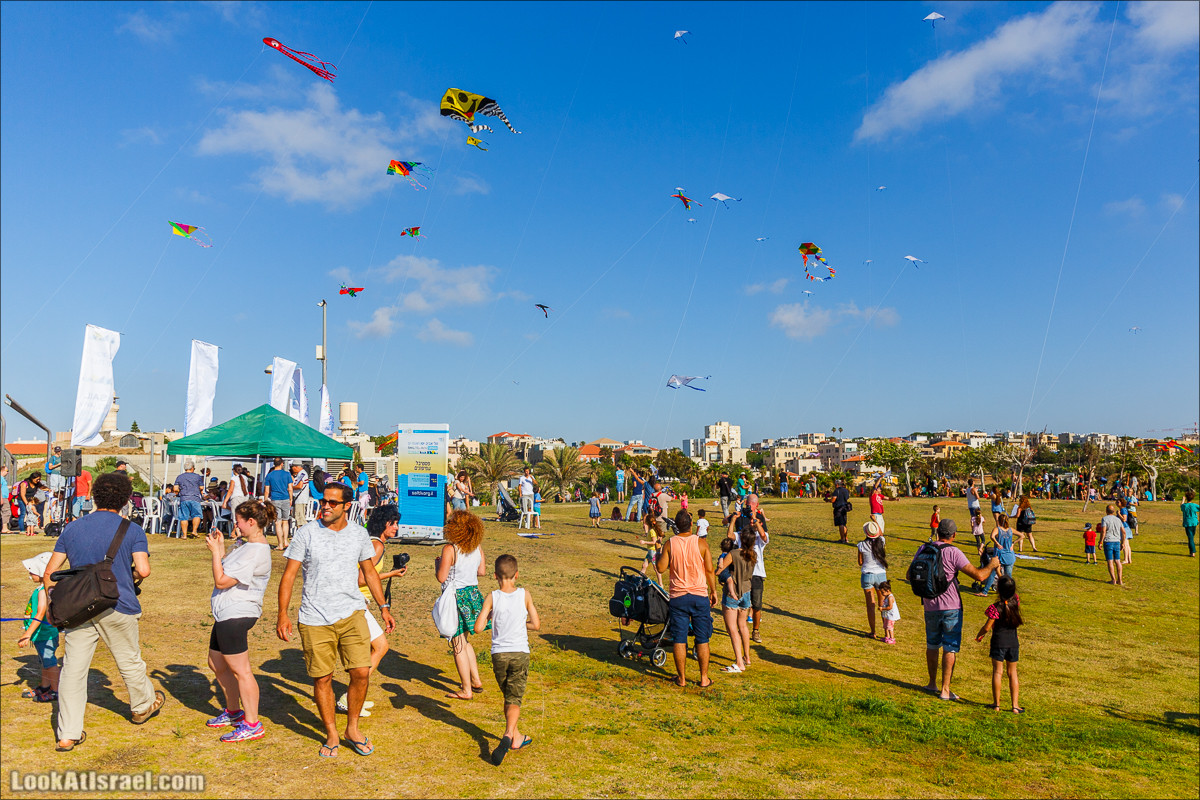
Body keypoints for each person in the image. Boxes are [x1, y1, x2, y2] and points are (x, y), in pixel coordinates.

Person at [43, 471, 166, 751]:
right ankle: (142, 705)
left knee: (73, 670)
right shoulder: (132, 530)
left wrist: (57, 597)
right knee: (129, 661)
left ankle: (68, 734)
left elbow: (50, 572)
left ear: (94, 496)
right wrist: (131, 574)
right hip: (118, 603)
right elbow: (144, 569)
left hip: (79, 607)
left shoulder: (72, 528)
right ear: (124, 500)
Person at [277, 482, 395, 758]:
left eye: (332, 502)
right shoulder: (306, 534)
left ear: (346, 506)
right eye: (323, 501)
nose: (325, 506)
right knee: (323, 678)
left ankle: (352, 728)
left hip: (352, 613)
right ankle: (331, 732)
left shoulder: (358, 534)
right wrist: (282, 614)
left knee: (361, 672)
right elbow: (289, 576)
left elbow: (369, 572)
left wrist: (383, 607)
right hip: (314, 617)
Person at [908, 519, 1000, 702]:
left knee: (932, 645)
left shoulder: (923, 549)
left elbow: (909, 575)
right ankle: (945, 689)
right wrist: (992, 565)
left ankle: (932, 683)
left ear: (937, 532)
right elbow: (980, 576)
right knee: (950, 647)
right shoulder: (953, 552)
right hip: (951, 607)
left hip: (929, 605)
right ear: (954, 535)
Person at [205, 499, 274, 743]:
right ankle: (234, 712)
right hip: (225, 612)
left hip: (238, 613)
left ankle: (252, 723)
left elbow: (222, 581)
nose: (235, 524)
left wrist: (215, 553)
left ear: (251, 522)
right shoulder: (246, 545)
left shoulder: (256, 551)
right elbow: (226, 569)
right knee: (216, 663)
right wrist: (221, 550)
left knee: (241, 670)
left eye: (239, 520)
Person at [340, 504, 408, 716]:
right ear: (383, 524)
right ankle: (349, 698)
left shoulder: (372, 542)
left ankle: (355, 695)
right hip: (357, 602)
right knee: (380, 647)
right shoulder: (376, 545)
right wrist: (392, 574)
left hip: (359, 602)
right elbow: (362, 578)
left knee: (372, 649)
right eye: (393, 523)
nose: (396, 527)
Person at [473, 554, 541, 765]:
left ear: (495, 576)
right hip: (520, 652)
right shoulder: (525, 595)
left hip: (499, 655)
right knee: (514, 698)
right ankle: (508, 736)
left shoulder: (492, 597)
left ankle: (516, 736)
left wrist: (492, 619)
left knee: (509, 696)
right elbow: (536, 625)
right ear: (517, 575)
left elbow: (477, 627)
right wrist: (522, 624)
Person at [656, 509, 717, 688]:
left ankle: (681, 678)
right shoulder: (701, 544)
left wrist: (660, 552)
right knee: (702, 638)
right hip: (699, 595)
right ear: (691, 524)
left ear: (676, 525)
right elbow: (710, 570)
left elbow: (660, 568)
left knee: (680, 638)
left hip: (678, 596)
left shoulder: (670, 543)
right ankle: (704, 678)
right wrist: (713, 591)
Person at [436, 510, 488, 700]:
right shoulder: (477, 547)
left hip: (455, 597)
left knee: (457, 644)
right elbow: (481, 571)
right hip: (472, 595)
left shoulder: (450, 549)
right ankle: (476, 680)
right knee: (465, 642)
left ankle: (466, 689)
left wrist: (438, 565)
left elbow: (441, 577)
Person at [975, 576, 1024, 713]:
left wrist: (979, 635)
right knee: (1012, 673)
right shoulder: (1016, 602)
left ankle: (996, 704)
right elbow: (1010, 590)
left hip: (998, 642)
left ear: (998, 591)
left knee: (997, 672)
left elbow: (987, 627)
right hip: (1013, 642)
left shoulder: (995, 608)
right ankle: (1015, 705)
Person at [17, 552, 60, 702]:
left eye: (33, 571)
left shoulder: (43, 591)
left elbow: (40, 613)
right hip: (40, 635)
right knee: (44, 661)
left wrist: (27, 634)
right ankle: (45, 686)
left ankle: (55, 691)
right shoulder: (41, 588)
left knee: (50, 662)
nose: (30, 573)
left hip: (45, 635)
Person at [717, 525, 756, 674]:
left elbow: (719, 571)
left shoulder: (733, 553)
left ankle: (739, 662)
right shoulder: (753, 555)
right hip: (747, 592)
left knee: (732, 629)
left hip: (733, 594)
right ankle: (747, 657)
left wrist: (720, 566)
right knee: (743, 626)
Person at [857, 520, 888, 640]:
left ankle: (873, 631)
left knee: (870, 605)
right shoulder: (881, 542)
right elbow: (881, 534)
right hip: (881, 575)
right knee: (883, 604)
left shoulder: (861, 545)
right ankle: (887, 633)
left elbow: (860, 562)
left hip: (867, 574)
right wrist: (876, 521)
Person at [263, 458, 293, 550]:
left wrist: (266, 501)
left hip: (275, 499)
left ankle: (280, 544)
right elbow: (290, 488)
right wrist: (291, 498)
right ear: (282, 464)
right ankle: (285, 541)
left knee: (277, 522)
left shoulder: (269, 475)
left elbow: (267, 490)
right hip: (285, 499)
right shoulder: (287, 474)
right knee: (285, 521)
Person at [174, 461, 205, 539]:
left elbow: (175, 488)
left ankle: (184, 535)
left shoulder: (180, 477)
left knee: (184, 517)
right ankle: (194, 531)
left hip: (184, 498)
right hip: (195, 498)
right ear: (192, 468)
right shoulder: (197, 476)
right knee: (197, 515)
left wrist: (179, 491)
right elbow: (201, 487)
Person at [1099, 505, 1126, 586]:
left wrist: (1100, 541)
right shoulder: (1118, 520)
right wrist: (1123, 542)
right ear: (1114, 511)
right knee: (1117, 561)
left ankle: (1113, 580)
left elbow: (1103, 531)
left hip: (1108, 541)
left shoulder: (1105, 519)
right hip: (1117, 541)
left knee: (1110, 561)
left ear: (1106, 511)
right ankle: (1120, 580)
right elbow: (1124, 532)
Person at [991, 513, 1021, 580]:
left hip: (999, 555)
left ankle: (985, 590)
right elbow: (1022, 536)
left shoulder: (997, 529)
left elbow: (992, 536)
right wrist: (1013, 543)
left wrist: (997, 543)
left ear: (999, 521)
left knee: (993, 573)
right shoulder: (1010, 530)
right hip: (1009, 555)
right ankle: (1008, 588)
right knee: (1008, 576)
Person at [223, 465, 252, 535]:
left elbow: (230, 490)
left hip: (236, 498)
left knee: (235, 516)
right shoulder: (245, 477)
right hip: (245, 497)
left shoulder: (233, 478)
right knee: (242, 515)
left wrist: (225, 501)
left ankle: (237, 533)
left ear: (233, 470)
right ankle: (237, 532)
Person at [829, 479, 851, 544]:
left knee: (840, 524)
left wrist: (828, 500)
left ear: (837, 484)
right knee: (844, 523)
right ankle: (846, 538)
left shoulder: (836, 491)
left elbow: (833, 499)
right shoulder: (846, 490)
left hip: (838, 508)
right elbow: (847, 498)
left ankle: (842, 539)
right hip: (844, 508)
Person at [291, 462, 311, 529]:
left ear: (296, 467)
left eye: (292, 467)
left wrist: (291, 487)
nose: (292, 469)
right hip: (300, 499)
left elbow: (300, 486)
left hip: (300, 499)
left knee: (300, 519)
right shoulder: (302, 473)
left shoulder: (302, 474)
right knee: (299, 518)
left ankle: (303, 534)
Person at [1181, 490, 1198, 557]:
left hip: (1188, 523)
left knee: (1190, 538)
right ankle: (1191, 551)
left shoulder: (1185, 506)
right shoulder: (1194, 505)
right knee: (1192, 536)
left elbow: (1181, 506)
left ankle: (1193, 552)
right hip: (1194, 522)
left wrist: (1183, 500)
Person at [1120, 497, 1136, 565]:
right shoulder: (1124, 509)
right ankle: (1129, 559)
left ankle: (1126, 559)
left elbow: (1124, 519)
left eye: (1118, 502)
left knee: (1125, 544)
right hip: (1126, 528)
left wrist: (1118, 514)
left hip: (1125, 528)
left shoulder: (1123, 510)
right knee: (1127, 545)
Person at [0, 464, 10, 532]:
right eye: (7, 471)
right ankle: (4, 528)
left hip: (4, 497)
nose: (7, 472)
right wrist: (1, 498)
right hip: (3, 497)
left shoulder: (2, 479)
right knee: (6, 511)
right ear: (2, 471)